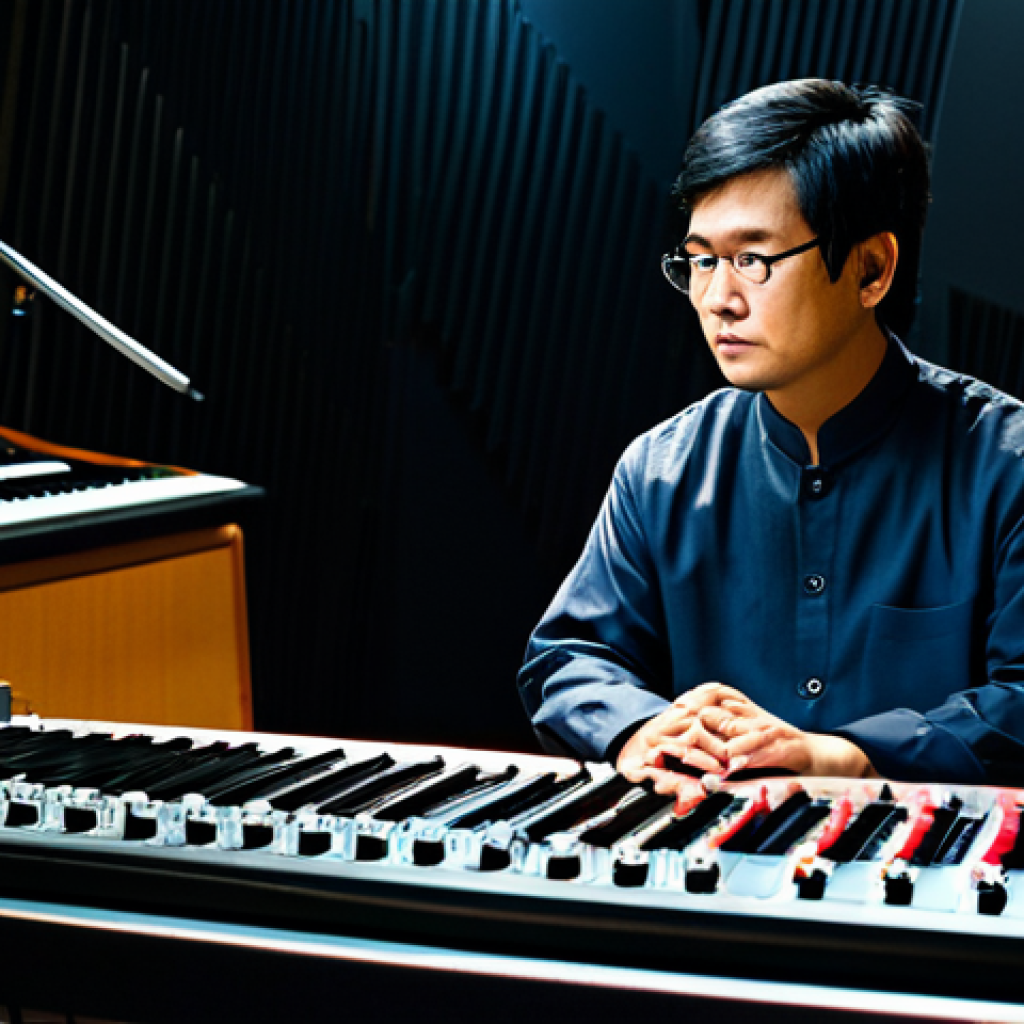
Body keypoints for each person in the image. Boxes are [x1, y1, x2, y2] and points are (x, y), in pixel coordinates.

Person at [517, 78, 1024, 799]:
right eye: (701, 260)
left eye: (753, 260)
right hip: (705, 855)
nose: (719, 299)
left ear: (871, 269)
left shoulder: (1006, 466)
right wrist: (638, 729)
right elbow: (571, 656)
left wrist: (844, 756)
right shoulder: (660, 471)